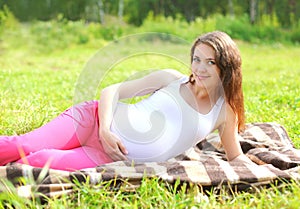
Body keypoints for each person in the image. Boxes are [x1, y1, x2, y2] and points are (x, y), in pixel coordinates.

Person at [0, 31, 253, 171]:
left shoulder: (224, 112)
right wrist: (105, 130)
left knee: (37, 162)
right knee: (22, 145)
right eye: (196, 59)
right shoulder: (171, 79)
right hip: (93, 120)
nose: (200, 68)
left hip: (109, 157)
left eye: (210, 62)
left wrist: (278, 172)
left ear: (226, 67)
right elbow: (113, 90)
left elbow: (235, 157)